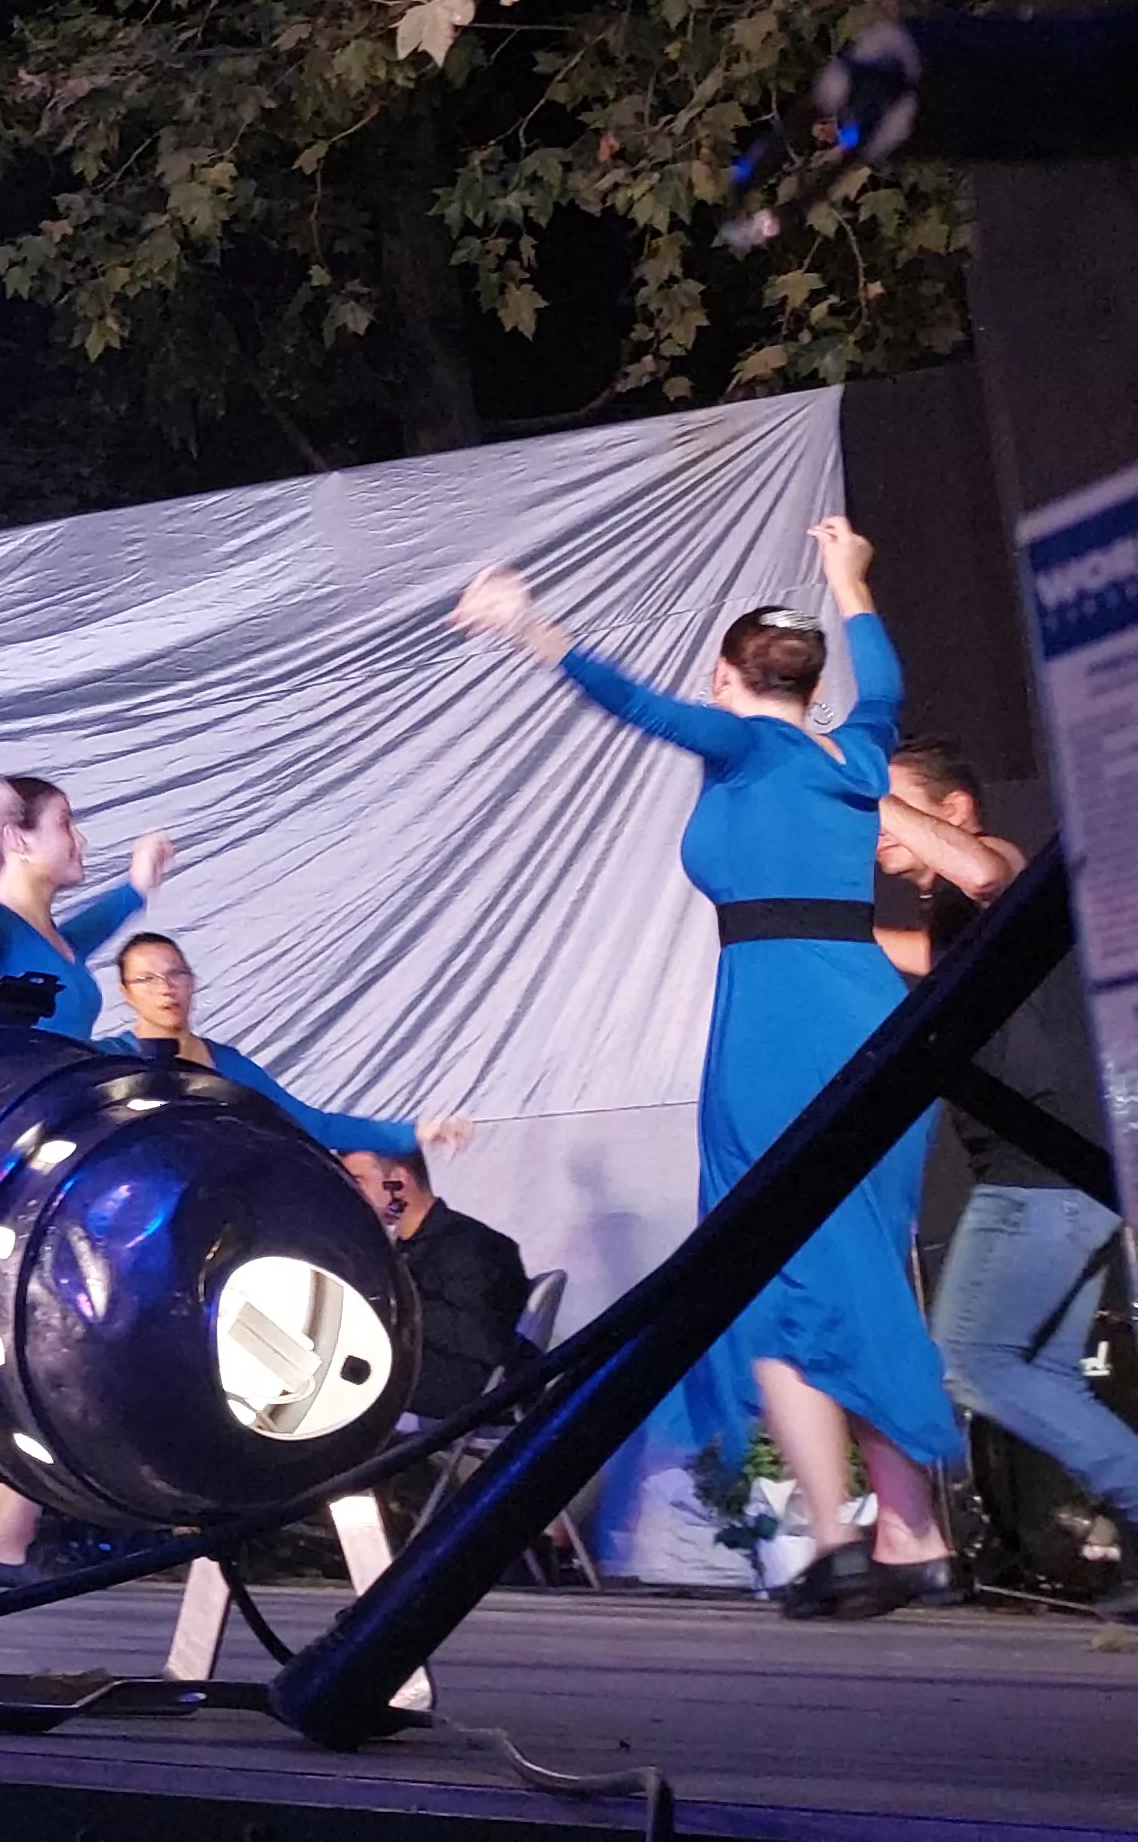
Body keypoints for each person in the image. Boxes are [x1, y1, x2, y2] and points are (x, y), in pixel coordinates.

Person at [455, 518, 960, 1618]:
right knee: (854, 1264)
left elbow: (633, 704)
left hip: (778, 1025)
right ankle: (909, 1532)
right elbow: (879, 677)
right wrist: (848, 579)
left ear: (730, 677)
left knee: (764, 1267)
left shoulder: (752, 745)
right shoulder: (856, 747)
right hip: (866, 1013)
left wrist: (524, 625)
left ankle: (834, 1536)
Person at [884, 739, 1138, 1617]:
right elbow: (904, 958)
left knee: (977, 1363)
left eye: (893, 807)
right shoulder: (952, 929)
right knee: (1042, 1373)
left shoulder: (996, 868)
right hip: (1051, 1174)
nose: (874, 829)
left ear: (952, 811)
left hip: (1040, 1173)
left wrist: (862, 790)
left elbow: (991, 875)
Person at [113, 933, 473, 1163]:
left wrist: (415, 1132)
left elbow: (314, 1126)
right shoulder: (111, 1061)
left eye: (177, 974)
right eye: (147, 979)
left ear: (192, 982)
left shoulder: (227, 1063)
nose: (165, 988)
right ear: (125, 992)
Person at [0, 778, 171, 1040]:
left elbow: (87, 930)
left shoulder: (52, 941)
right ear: (18, 839)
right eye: (64, 824)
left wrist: (137, 888)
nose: (80, 840)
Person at [340, 1146, 537, 1423]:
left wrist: (388, 1299)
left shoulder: (474, 1244)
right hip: (439, 1374)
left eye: (358, 1181)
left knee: (340, 1371)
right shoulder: (400, 1248)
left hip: (478, 1386)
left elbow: (484, 1340)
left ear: (399, 1180)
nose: (349, 1193)